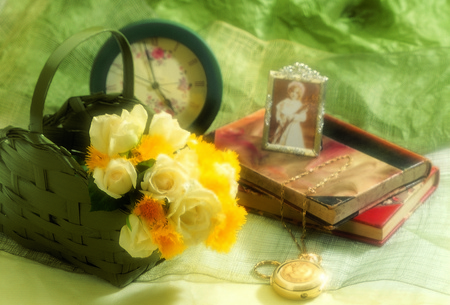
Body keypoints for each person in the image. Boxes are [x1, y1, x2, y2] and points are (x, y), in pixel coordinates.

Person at [272, 81, 308, 147]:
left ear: (299, 95)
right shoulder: (284, 102)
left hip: (293, 127)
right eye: (292, 92)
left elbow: (303, 117)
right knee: (279, 140)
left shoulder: (299, 105)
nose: (294, 94)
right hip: (283, 125)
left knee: (291, 142)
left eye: (296, 93)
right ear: (289, 92)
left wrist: (294, 116)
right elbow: (278, 112)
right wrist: (279, 119)